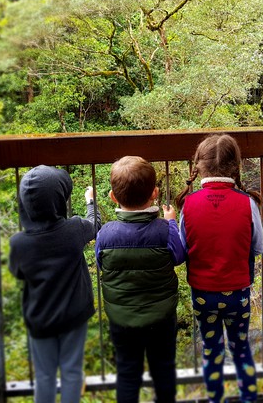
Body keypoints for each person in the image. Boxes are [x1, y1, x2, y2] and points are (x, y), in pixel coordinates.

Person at [175, 134, 263, 403]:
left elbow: (182, 248)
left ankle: (215, 398)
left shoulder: (188, 204)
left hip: (203, 293)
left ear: (198, 165)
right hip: (238, 292)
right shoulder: (247, 203)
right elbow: (258, 247)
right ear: (236, 166)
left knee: (211, 349)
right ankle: (248, 397)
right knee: (240, 348)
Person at [95, 156, 186, 403]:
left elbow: (101, 263)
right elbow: (178, 256)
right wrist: (172, 223)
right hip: (161, 317)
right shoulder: (164, 230)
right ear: (154, 193)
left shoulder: (106, 234)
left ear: (113, 197)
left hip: (122, 319)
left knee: (127, 373)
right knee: (164, 369)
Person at [9, 165, 102, 403]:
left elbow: (18, 273)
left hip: (40, 318)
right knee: (72, 372)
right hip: (74, 314)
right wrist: (90, 202)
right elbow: (95, 224)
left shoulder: (19, 243)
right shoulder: (74, 230)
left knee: (44, 376)